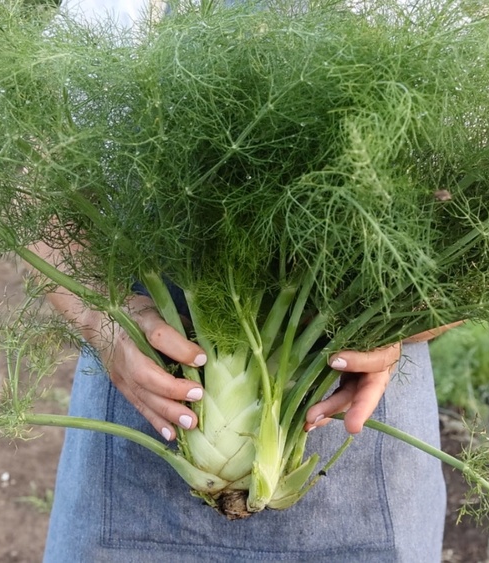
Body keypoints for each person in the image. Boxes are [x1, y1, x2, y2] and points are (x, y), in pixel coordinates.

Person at [40, 2, 449, 561]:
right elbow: (38, 191)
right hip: (147, 380)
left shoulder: (439, 21)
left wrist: (395, 325)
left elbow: (483, 249)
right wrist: (100, 314)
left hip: (348, 406)